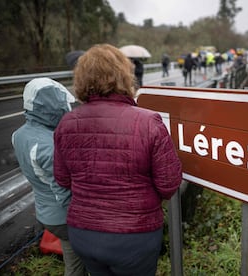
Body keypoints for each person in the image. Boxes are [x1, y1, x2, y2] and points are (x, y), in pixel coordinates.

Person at [53, 43, 183, 276]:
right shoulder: (148, 122)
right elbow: (169, 183)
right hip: (134, 236)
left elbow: (63, 179)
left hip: (83, 233)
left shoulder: (66, 122)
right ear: (125, 75)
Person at [11, 77, 86, 276]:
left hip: (46, 212)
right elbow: (64, 193)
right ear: (50, 106)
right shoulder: (49, 147)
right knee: (80, 264)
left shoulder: (19, 135)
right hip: (65, 217)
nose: (66, 108)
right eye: (62, 103)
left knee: (75, 258)